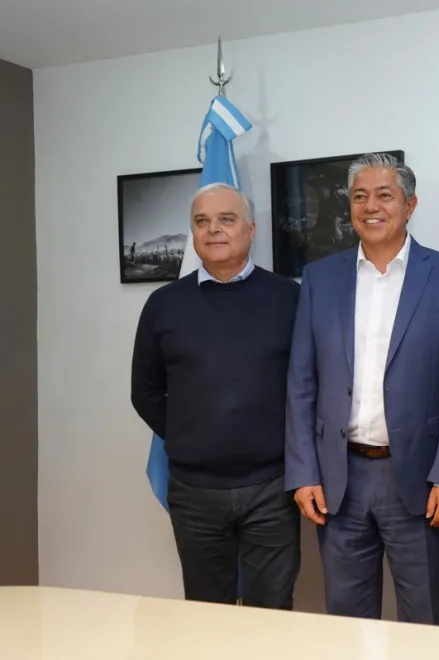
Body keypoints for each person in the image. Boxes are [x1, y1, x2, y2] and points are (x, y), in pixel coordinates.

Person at [285, 153, 439, 625]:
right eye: (359, 196)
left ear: (409, 205)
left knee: (428, 624)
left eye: (384, 195)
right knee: (348, 624)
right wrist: (304, 472)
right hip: (339, 480)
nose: (370, 206)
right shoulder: (320, 278)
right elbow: (301, 382)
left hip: (419, 479)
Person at [130, 183, 302, 609]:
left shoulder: (290, 298)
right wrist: (192, 434)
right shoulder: (164, 304)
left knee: (273, 615)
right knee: (207, 616)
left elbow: (309, 384)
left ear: (251, 229)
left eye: (227, 219)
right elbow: (145, 390)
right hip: (194, 490)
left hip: (273, 487)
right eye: (202, 222)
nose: (214, 230)